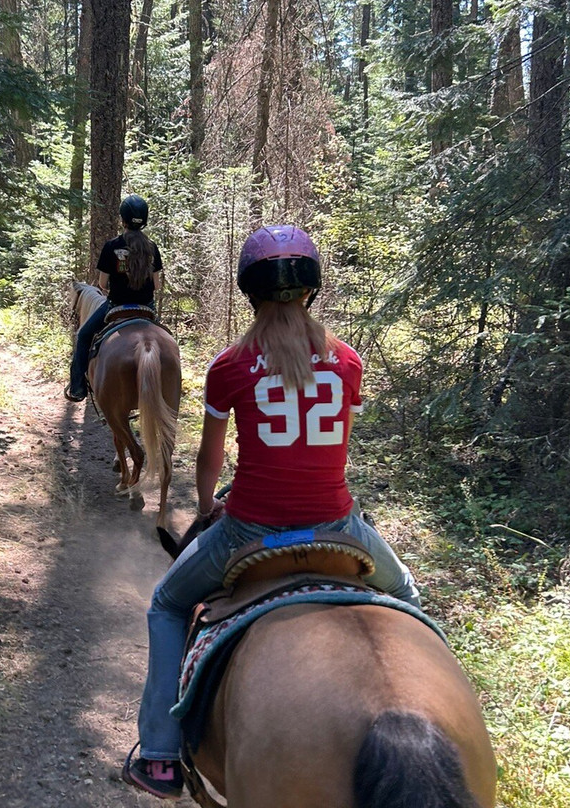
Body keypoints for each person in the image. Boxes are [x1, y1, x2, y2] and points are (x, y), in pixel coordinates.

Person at [121, 224, 422, 800]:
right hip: (340, 526)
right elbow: (337, 451)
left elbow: (211, 459)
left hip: (249, 530)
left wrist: (210, 508)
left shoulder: (230, 366)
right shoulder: (348, 361)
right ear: (311, 289)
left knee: (166, 602)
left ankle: (159, 754)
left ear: (248, 291)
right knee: (406, 596)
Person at [64, 194, 163, 402]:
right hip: (146, 308)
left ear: (123, 219)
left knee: (83, 336)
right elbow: (157, 285)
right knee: (165, 340)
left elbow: (101, 284)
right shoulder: (152, 248)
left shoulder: (112, 246)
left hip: (116, 306)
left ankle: (77, 387)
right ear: (144, 220)